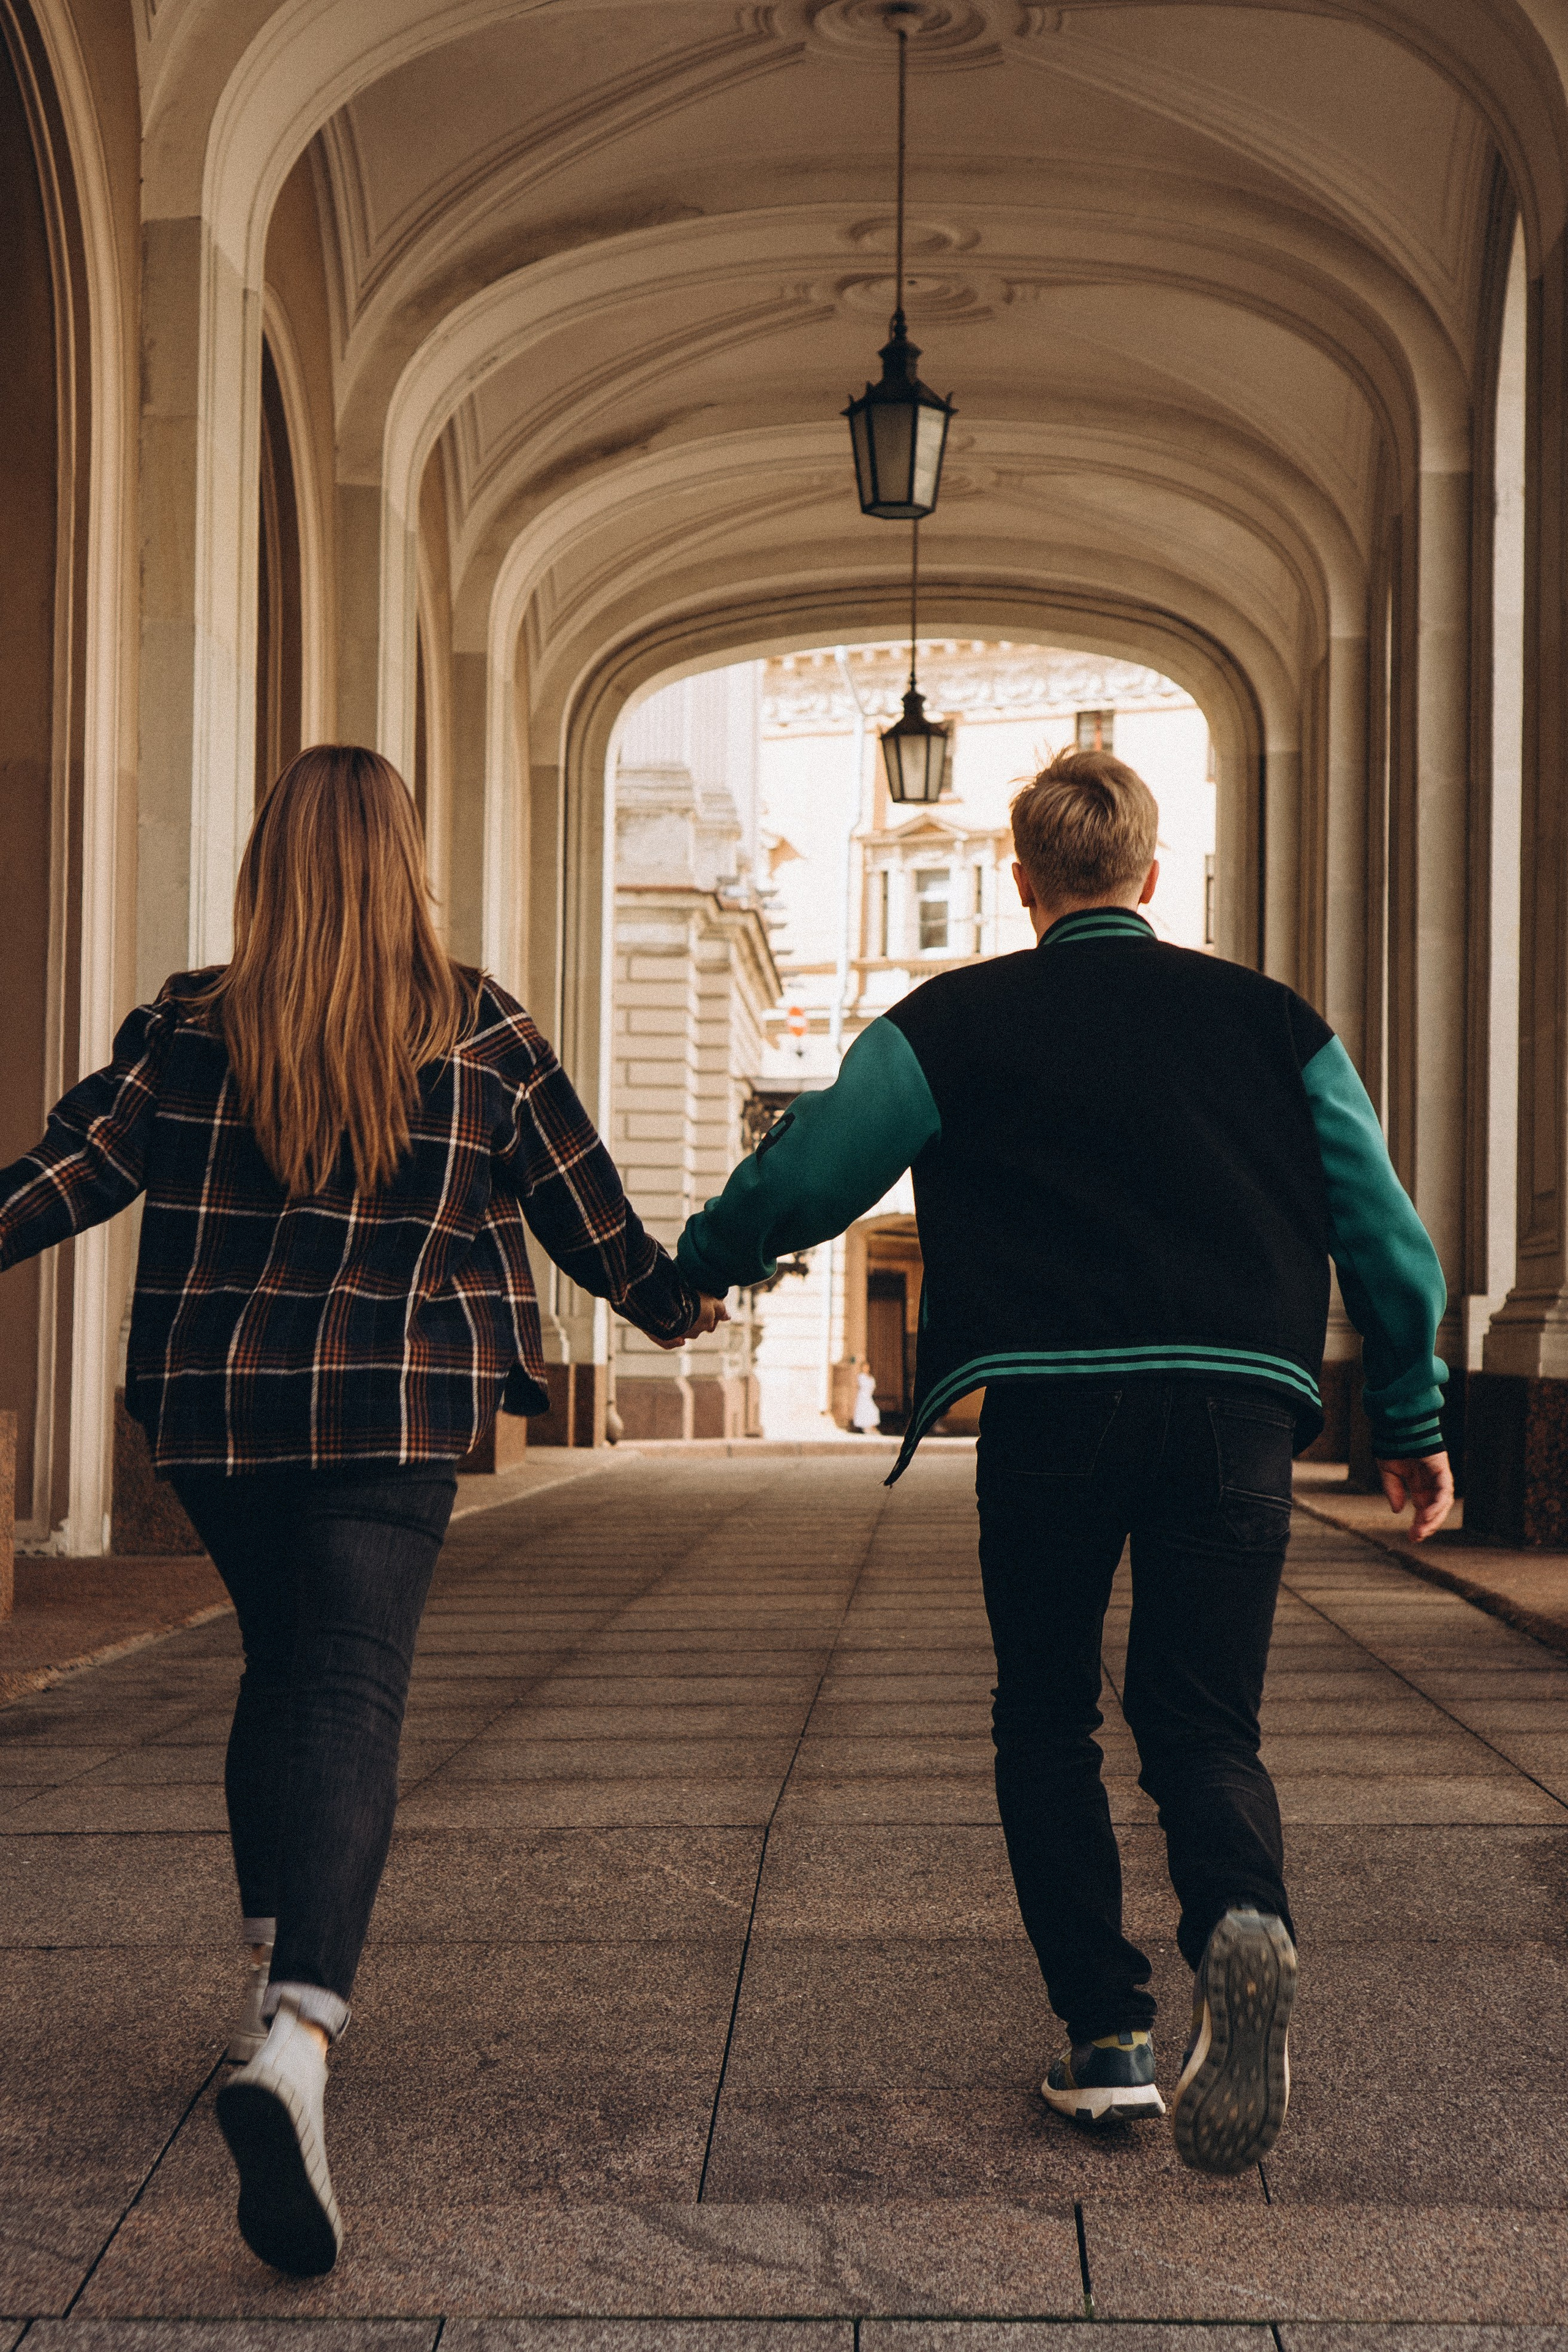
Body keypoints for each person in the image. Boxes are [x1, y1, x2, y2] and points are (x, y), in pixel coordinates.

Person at [0, 745, 725, 2276]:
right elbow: (586, 1213)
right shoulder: (479, 1026)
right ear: (407, 863)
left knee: (285, 1665)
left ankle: (272, 1964)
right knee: (348, 1688)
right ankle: (303, 2038)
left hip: (213, 1414)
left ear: (266, 864)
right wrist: (679, 1304)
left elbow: (69, 1173)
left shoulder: (187, 1023)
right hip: (391, 1411)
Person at [674, 746, 1450, 2176]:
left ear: (1018, 881)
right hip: (1233, 1407)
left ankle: (1107, 2045)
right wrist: (1407, 1417)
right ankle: (1235, 1925)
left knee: (1045, 1719)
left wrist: (707, 1260)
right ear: (1149, 878)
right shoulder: (1274, 1025)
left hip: (1044, 1411)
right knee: (1203, 1724)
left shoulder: (953, 1021)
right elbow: (1386, 1238)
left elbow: (810, 1169)